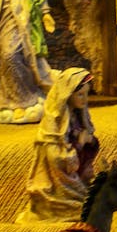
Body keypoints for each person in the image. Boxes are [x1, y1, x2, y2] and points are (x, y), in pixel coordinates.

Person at [16, 67, 100, 223]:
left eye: (86, 94)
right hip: (57, 183)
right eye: (80, 94)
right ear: (68, 95)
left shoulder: (77, 114)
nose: (85, 99)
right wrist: (80, 143)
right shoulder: (53, 124)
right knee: (84, 207)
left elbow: (87, 145)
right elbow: (55, 159)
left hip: (75, 175)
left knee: (93, 200)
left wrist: (89, 142)